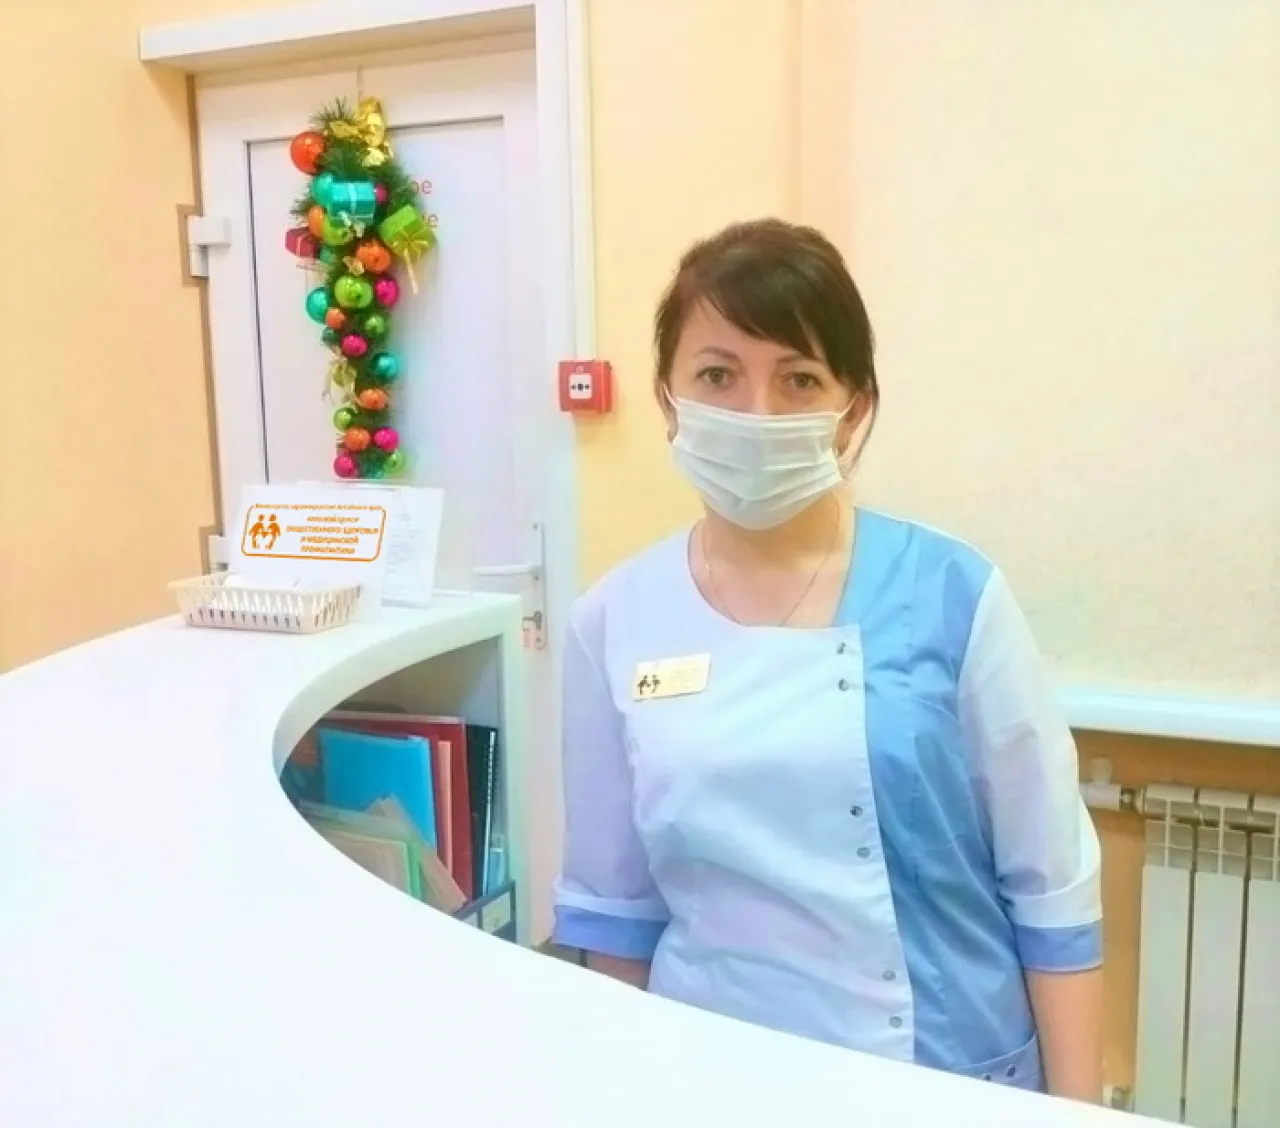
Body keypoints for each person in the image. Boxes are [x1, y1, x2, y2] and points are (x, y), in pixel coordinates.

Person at [552, 219, 1104, 1101]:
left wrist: (1077, 1115)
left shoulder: (953, 593)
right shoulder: (613, 620)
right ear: (667, 399)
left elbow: (1054, 891)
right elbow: (614, 913)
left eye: (799, 378)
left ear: (853, 410)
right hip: (708, 1075)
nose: (756, 412)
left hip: (942, 1073)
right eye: (718, 375)